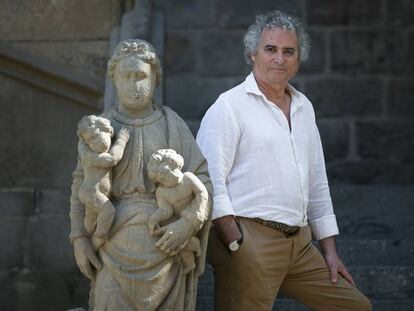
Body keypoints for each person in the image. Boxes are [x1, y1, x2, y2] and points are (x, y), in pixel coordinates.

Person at [196, 10, 372, 311]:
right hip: (251, 241)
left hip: (301, 246)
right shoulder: (229, 107)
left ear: (298, 59)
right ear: (253, 54)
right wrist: (236, 241)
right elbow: (209, 179)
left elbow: (317, 182)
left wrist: (329, 250)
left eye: (288, 51)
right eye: (270, 49)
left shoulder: (304, 108)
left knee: (356, 306)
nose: (280, 58)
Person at [69, 39, 211, 310]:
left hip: (164, 245)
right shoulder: (100, 128)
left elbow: (201, 180)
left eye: (141, 76)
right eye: (126, 76)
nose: (134, 85)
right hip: (111, 243)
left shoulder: (173, 124)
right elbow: (81, 186)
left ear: (155, 79)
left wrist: (188, 224)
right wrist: (79, 239)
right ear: (114, 80)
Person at [147, 148, 209, 274]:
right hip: (178, 219)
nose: (164, 181)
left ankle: (195, 244)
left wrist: (200, 209)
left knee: (179, 236)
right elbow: (166, 210)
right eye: (160, 180)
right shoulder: (162, 191)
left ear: (173, 164)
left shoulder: (188, 178)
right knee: (171, 238)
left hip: (193, 214)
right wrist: (154, 218)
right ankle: (190, 262)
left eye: (165, 174)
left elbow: (201, 192)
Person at [77, 115, 130, 249]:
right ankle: (100, 237)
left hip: (93, 192)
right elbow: (112, 159)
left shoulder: (90, 151)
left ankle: (88, 242)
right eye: (89, 140)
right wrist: (122, 141)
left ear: (109, 131)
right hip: (91, 192)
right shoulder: (91, 156)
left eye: (95, 136)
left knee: (90, 221)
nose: (93, 142)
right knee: (108, 211)